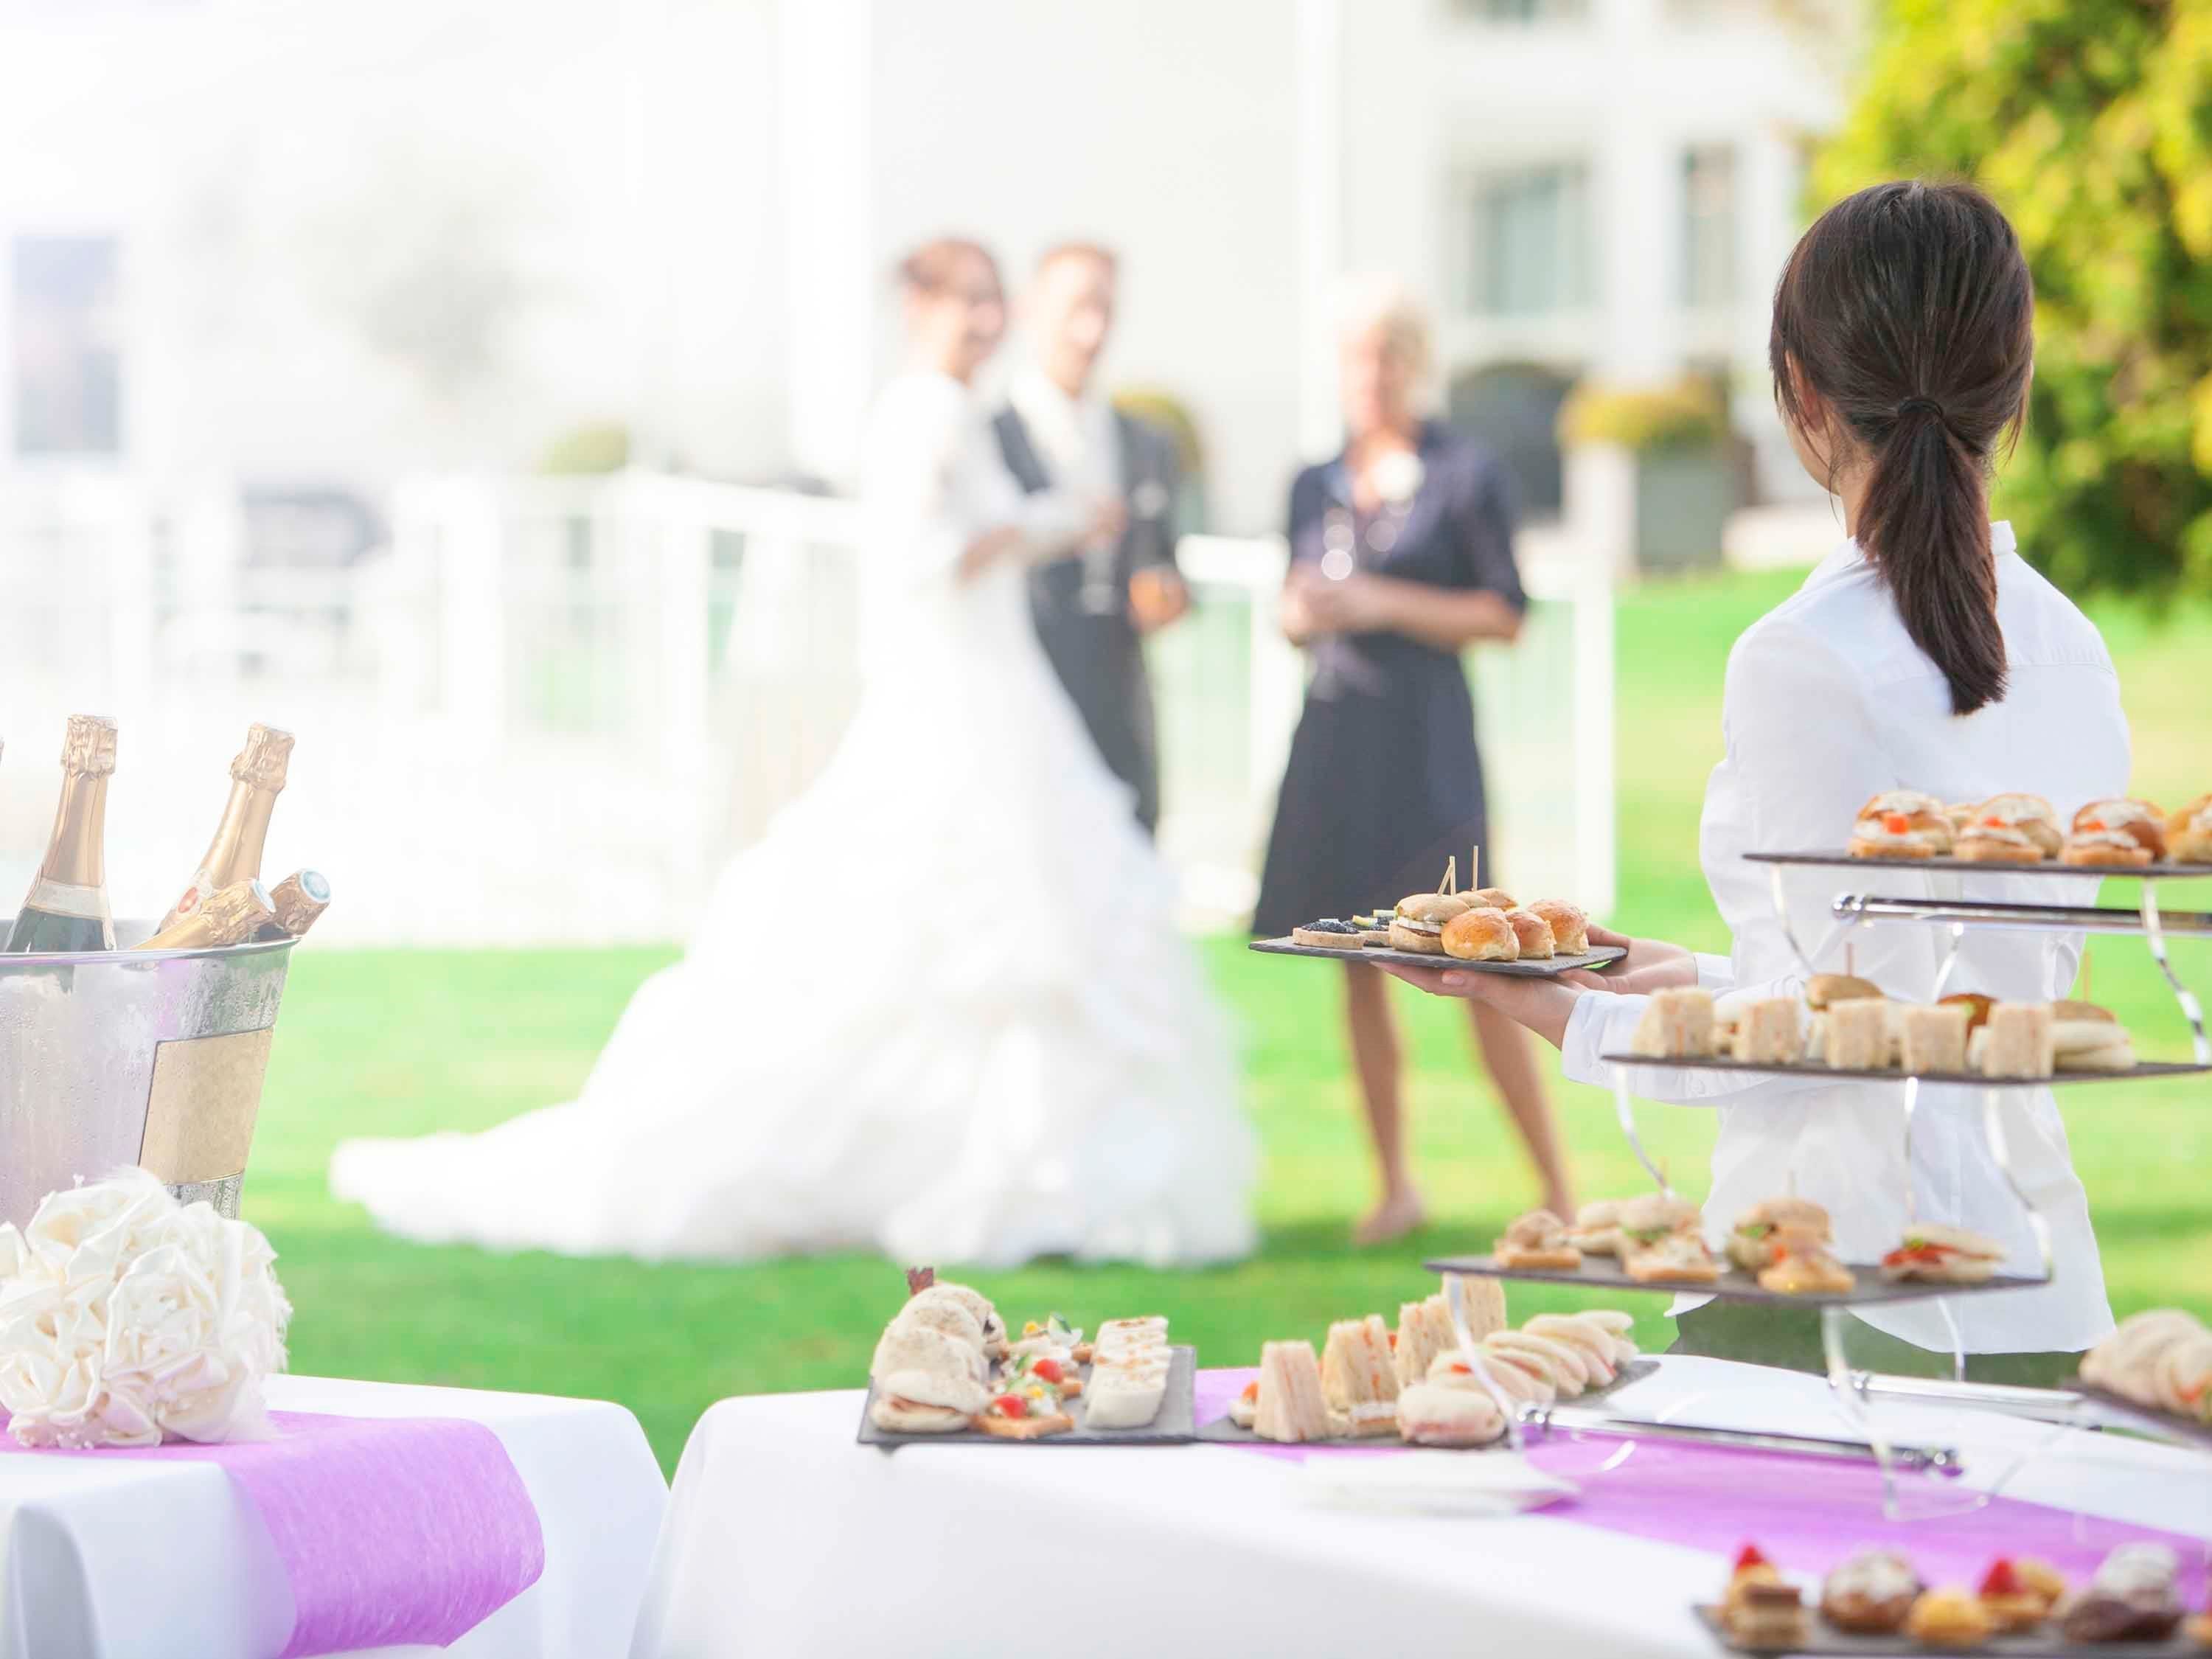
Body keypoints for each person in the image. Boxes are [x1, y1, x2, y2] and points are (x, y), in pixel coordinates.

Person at [330, 238, 1256, 1269]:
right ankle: (932, 1164)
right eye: (971, 304)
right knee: (938, 926)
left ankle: (1015, 1165)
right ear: (922, 308)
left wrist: (1048, 529)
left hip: (1005, 687)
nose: (988, 323)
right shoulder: (918, 412)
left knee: (1040, 926)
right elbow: (918, 562)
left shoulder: (960, 412)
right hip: (951, 687)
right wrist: (1048, 525)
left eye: (997, 303)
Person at [1381, 181, 2124, 1385]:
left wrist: (1559, 1011)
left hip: (1838, 1299)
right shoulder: (2073, 648)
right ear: (2016, 387)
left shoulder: (1800, 654)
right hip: (2038, 1291)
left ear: (1799, 395)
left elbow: (1830, 1049)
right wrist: (1681, 976)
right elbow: (1943, 1011)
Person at [1251, 279, 1573, 1245]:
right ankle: (1394, 1183)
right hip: (1338, 746)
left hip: (1429, 750)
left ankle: (1559, 1184)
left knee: (1478, 959)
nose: (1370, 373)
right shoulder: (1313, 483)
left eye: (1387, 353)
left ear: (1414, 361)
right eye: (1355, 355)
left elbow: (1505, 611)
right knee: (1356, 966)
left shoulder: (1464, 474)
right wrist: (1303, 613)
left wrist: (1385, 603)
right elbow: (1290, 609)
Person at [994, 241, 1189, 835]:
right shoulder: (991, 437)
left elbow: (1165, 564)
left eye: (1105, 309)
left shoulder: (1147, 442)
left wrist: (1164, 594)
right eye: (1076, 306)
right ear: (1030, 308)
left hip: (1120, 713)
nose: (1090, 330)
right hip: (1019, 712)